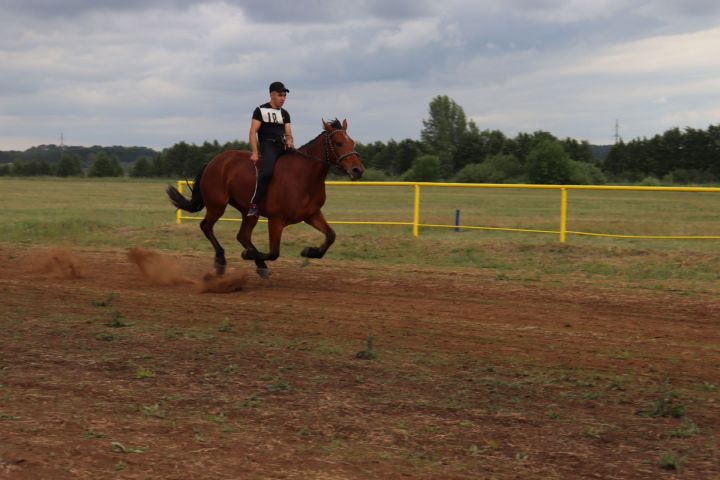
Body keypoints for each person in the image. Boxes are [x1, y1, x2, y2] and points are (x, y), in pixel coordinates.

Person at [247, 81, 294, 217]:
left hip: (282, 146)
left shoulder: (285, 113)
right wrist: (255, 152)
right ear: (272, 95)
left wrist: (290, 140)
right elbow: (252, 132)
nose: (283, 98)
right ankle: (255, 205)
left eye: (284, 96)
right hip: (268, 146)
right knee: (266, 172)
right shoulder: (260, 110)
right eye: (280, 95)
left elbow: (288, 132)